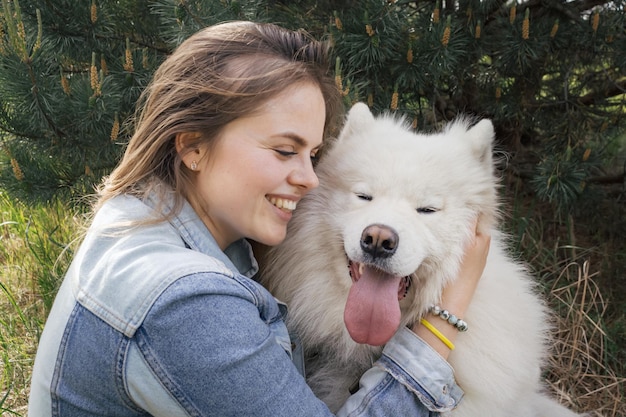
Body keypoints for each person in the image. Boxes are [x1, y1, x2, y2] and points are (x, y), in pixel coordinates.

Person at [28, 21, 490, 416]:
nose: (310, 178)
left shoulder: (144, 216)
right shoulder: (186, 303)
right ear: (192, 146)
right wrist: (443, 322)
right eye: (285, 150)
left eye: (313, 154)